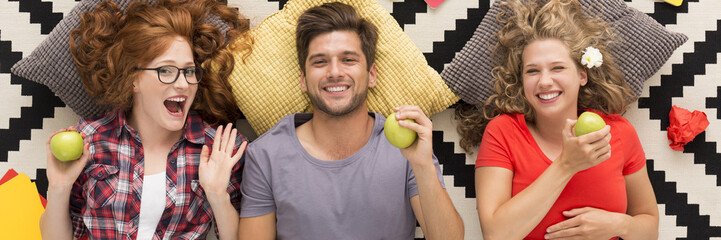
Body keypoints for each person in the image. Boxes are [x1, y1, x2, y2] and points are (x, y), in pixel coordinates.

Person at [237, 2, 464, 239]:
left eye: (348, 60)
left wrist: (423, 166)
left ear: (371, 75)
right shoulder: (265, 155)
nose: (334, 72)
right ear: (303, 80)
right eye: (320, 61)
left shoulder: (408, 148)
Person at [39, 0, 251, 239]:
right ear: (134, 79)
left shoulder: (219, 149)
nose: (183, 84)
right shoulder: (91, 140)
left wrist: (217, 195)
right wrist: (59, 188)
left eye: (189, 71)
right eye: (166, 70)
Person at [454, 0, 659, 239]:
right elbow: (496, 234)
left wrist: (618, 225)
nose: (544, 82)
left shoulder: (619, 133)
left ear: (582, 75)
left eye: (557, 68)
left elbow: (650, 227)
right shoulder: (503, 133)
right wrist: (566, 165)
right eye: (532, 71)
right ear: (522, 80)